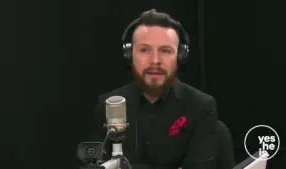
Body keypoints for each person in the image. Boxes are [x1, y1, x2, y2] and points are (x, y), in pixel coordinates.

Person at [92, 9, 235, 169]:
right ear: (129, 54)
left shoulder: (201, 107)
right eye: (144, 50)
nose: (155, 61)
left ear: (180, 57)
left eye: (165, 51)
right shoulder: (109, 105)